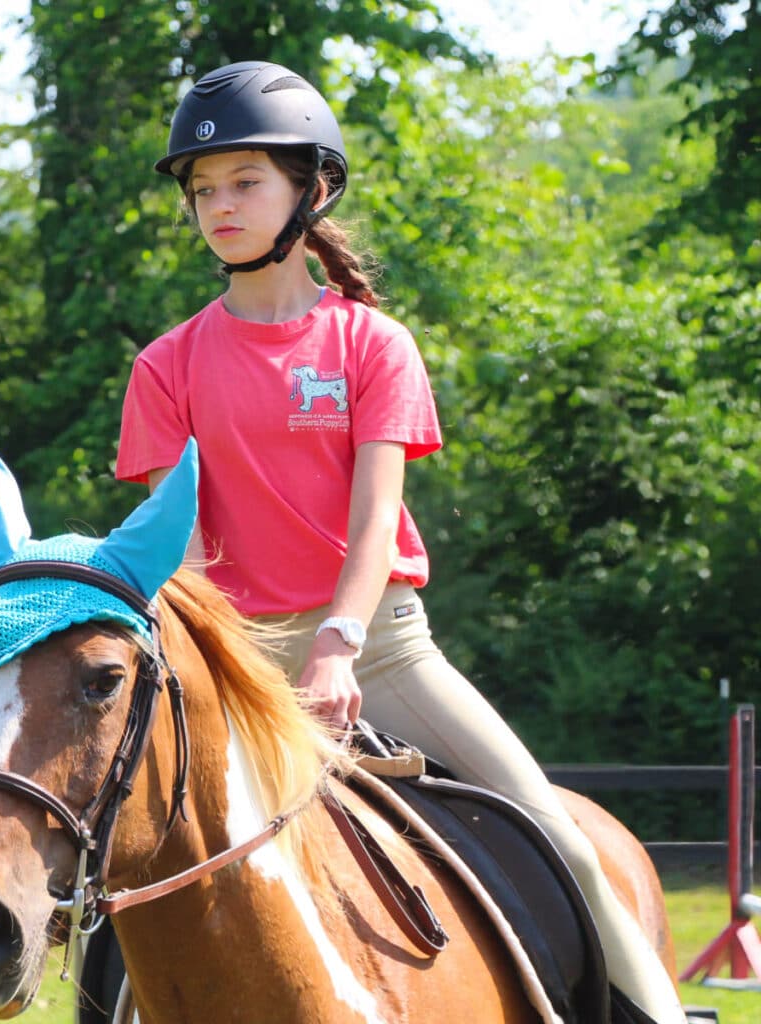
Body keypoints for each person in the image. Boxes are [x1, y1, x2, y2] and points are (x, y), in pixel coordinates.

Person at [115, 59, 685, 1024]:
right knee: (128, 867)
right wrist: (236, 666)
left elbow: (376, 515)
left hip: (381, 645)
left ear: (313, 188)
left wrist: (340, 639)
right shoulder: (165, 365)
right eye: (203, 188)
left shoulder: (374, 346)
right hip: (234, 663)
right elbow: (186, 551)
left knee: (563, 837)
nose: (219, 204)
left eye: (246, 181)